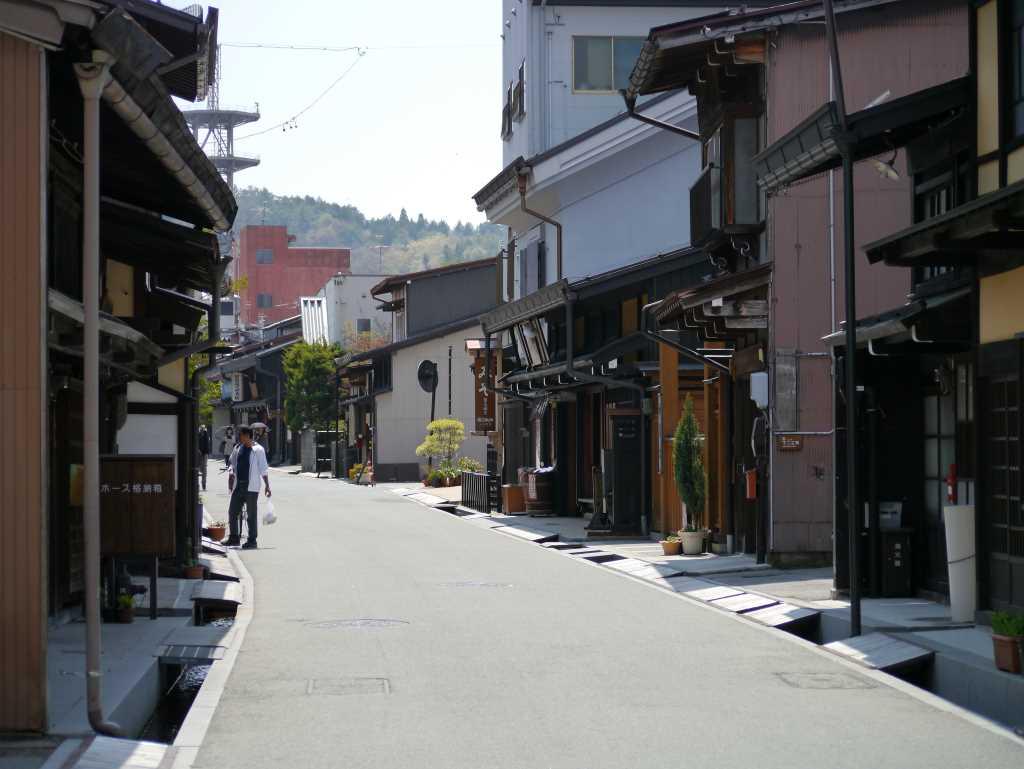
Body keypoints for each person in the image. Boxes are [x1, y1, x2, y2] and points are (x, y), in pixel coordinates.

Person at [225, 426, 271, 549]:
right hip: (238, 485)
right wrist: (231, 472)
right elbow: (232, 463)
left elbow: (263, 469)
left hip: (251, 487)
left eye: (241, 435)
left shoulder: (258, 450)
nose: (239, 437)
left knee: (251, 515)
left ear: (247, 436)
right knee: (232, 512)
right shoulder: (238, 448)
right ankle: (234, 537)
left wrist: (267, 485)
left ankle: (252, 540)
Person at [197, 424, 211, 491]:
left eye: (204, 428)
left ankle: (203, 483)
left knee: (204, 469)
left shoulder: (206, 434)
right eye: (201, 428)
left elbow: (207, 444)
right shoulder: (198, 434)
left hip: (205, 453)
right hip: (198, 453)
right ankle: (197, 484)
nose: (202, 429)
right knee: (198, 468)